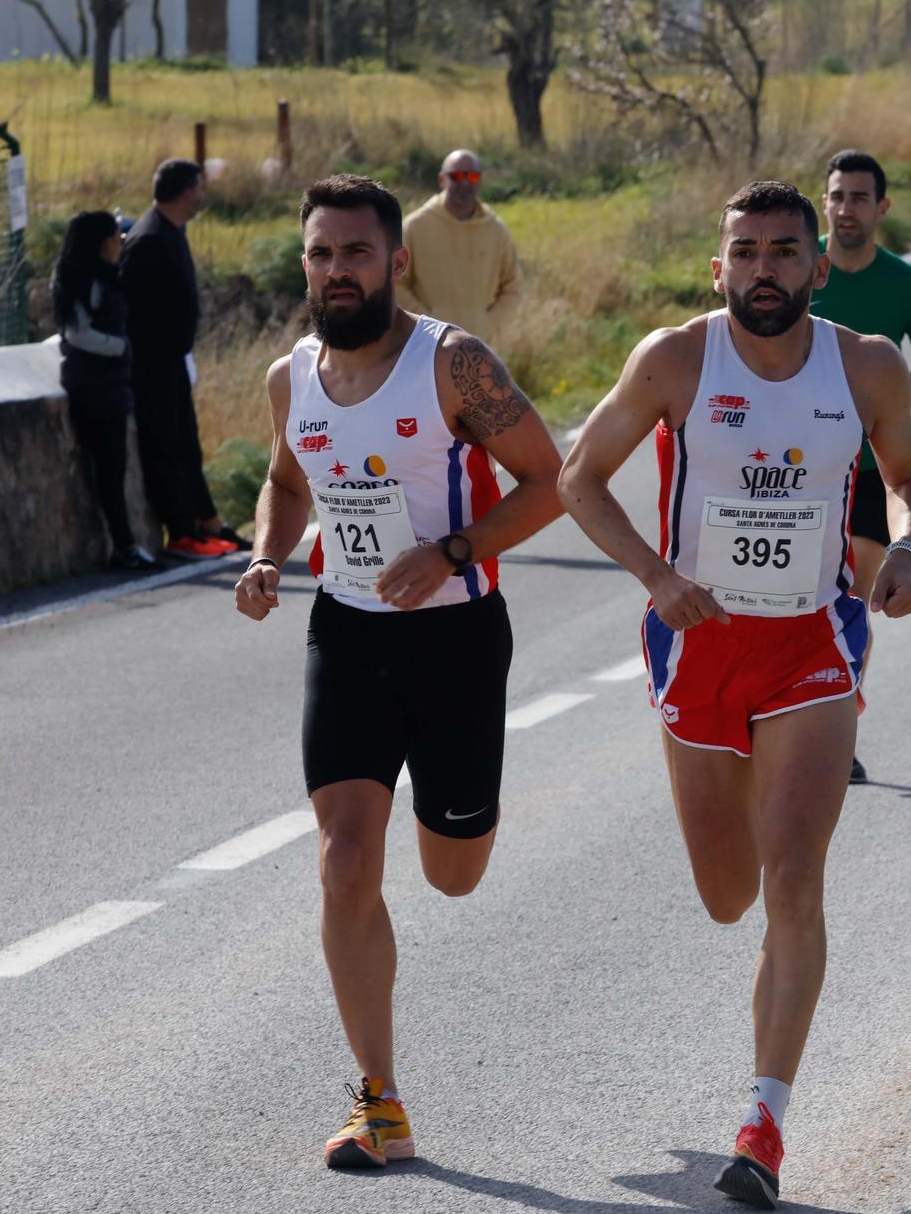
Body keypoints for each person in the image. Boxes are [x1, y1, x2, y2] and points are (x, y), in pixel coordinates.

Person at [556, 181, 911, 1210]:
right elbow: (579, 476)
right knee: (727, 894)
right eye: (746, 252)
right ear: (717, 266)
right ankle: (757, 1101)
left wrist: (904, 546)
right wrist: (656, 576)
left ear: (819, 264)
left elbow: (909, 473)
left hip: (812, 643)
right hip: (699, 647)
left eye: (783, 251)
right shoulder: (676, 358)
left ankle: (763, 1124)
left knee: (794, 876)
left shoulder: (865, 365)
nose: (764, 269)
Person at [232, 174, 567, 1170]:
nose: (338, 270)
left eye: (357, 252)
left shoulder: (452, 365)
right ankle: (377, 1100)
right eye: (321, 253)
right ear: (305, 264)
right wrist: (266, 554)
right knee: (344, 860)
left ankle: (463, 808)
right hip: (347, 633)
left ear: (396, 260)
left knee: (453, 873)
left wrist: (453, 551)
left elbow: (552, 480)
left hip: (457, 638)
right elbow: (286, 480)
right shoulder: (292, 378)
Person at [810, 149, 911, 784]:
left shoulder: (904, 285)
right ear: (824, 202)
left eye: (859, 198)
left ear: (881, 208)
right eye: (837, 196)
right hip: (797, 472)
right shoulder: (801, 268)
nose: (847, 209)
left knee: (849, 602)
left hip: (868, 473)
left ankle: (838, 729)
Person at [121, 158, 244, 559]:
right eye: (200, 188)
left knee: (187, 444)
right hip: (152, 365)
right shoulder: (148, 239)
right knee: (165, 446)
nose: (203, 195)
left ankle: (206, 521)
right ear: (187, 192)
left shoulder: (171, 231)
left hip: (172, 360)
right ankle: (181, 531)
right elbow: (135, 312)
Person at [55, 211, 156, 572]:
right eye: (116, 237)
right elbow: (77, 333)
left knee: (113, 469)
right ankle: (124, 546)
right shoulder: (84, 279)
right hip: (95, 387)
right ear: (102, 243)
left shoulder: (101, 275)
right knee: (110, 471)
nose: (120, 243)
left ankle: (125, 545)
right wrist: (121, 347)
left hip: (108, 386)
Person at [395, 149, 524, 339]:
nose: (465, 183)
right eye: (456, 176)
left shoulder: (496, 231)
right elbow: (395, 283)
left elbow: (513, 288)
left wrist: (488, 325)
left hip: (480, 345)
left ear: (480, 180)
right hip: (425, 345)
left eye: (472, 176)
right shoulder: (414, 227)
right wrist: (427, 326)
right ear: (442, 180)